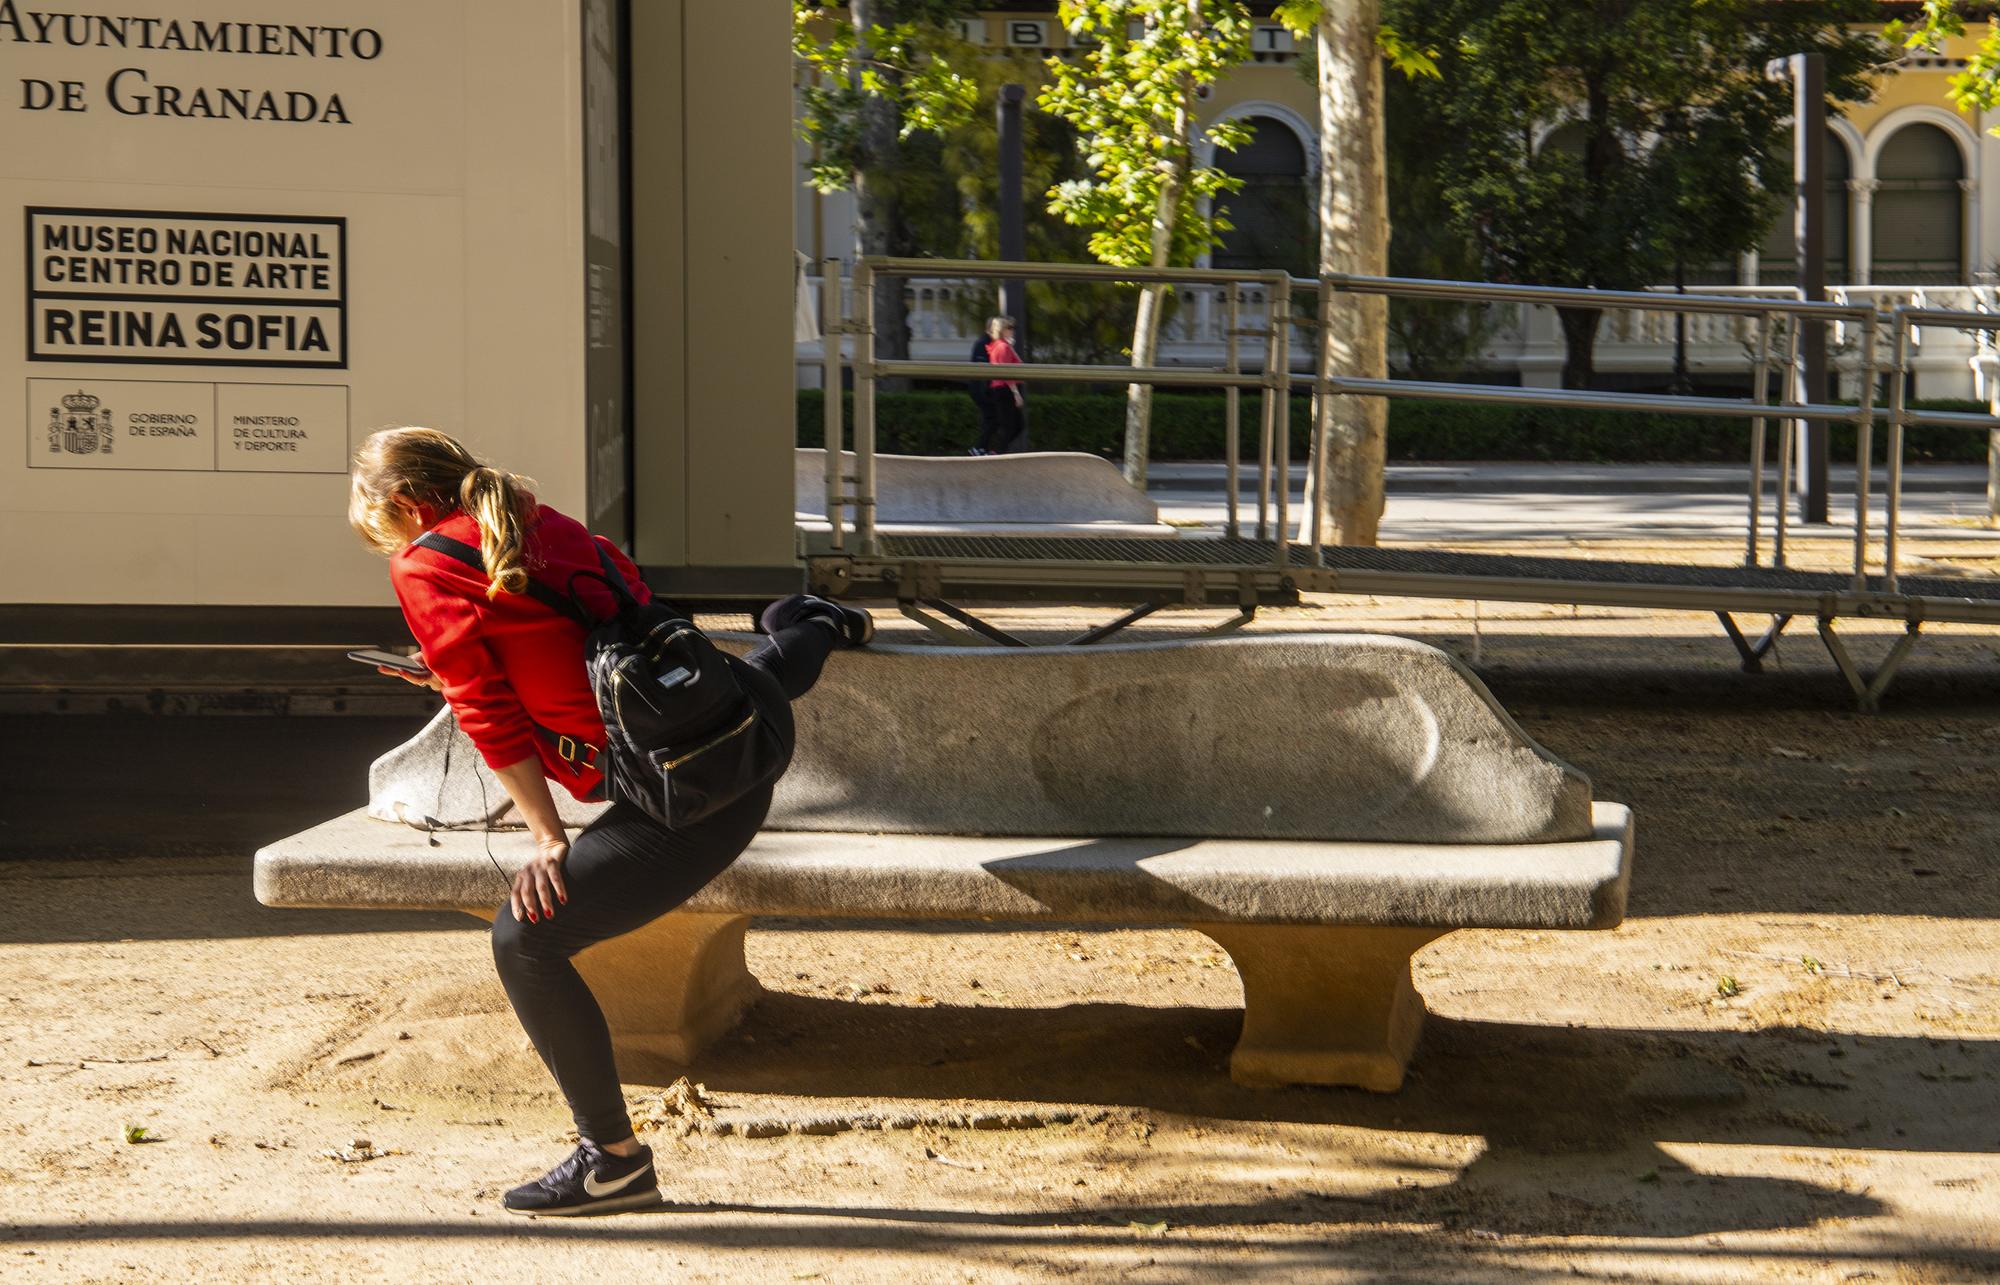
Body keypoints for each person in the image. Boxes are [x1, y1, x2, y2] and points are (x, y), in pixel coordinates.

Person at [347, 426, 872, 1217]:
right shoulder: (533, 518)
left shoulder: (423, 563)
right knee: (763, 673)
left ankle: (614, 1160)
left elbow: (488, 713)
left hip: (687, 796)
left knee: (524, 939)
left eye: (383, 527)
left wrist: (548, 836)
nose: (391, 541)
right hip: (731, 723)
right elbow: (610, 609)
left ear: (400, 505)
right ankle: (817, 621)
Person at [976, 315, 1024, 456]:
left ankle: (996, 451)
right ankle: (996, 452)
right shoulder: (1003, 347)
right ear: (1002, 330)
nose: (1012, 330)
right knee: (1012, 426)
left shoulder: (999, 345)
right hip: (1005, 390)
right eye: (1009, 328)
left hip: (1001, 389)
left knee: (1013, 425)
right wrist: (1016, 393)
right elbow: (1006, 372)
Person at [964, 329, 992, 453]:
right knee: (992, 418)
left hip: (984, 389)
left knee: (992, 418)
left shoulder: (988, 343)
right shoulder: (983, 344)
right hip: (981, 389)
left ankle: (982, 448)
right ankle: (980, 448)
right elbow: (982, 369)